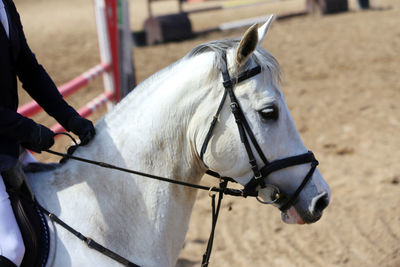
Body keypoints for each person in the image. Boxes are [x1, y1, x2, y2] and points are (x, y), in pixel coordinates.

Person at [0, 0, 96, 266]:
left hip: (7, 144)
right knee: (11, 248)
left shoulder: (5, 5)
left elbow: (28, 68)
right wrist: (28, 129)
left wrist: (70, 118)